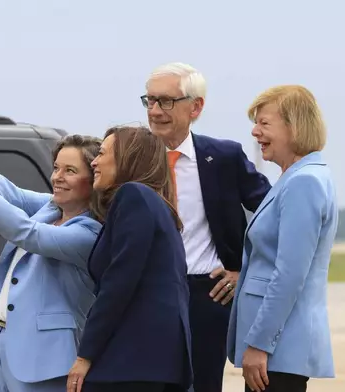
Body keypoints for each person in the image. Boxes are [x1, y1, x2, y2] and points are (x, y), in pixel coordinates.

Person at [141, 62, 272, 392]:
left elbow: (275, 213)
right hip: (146, 293)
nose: (155, 111)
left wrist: (245, 272)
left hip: (207, 295)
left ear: (195, 107)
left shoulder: (223, 157)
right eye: (150, 100)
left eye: (166, 101)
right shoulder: (131, 157)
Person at [0, 128, 103, 392]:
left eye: (70, 171)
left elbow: (27, 233)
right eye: (56, 168)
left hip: (46, 359)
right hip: (8, 346)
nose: (58, 177)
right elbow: (14, 195)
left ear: (93, 179)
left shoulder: (89, 232)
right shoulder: (53, 206)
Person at [227, 85, 337, 392]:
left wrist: (260, 343)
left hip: (278, 348)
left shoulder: (303, 183)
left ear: (294, 126)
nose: (255, 131)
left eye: (264, 123)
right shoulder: (295, 178)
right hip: (278, 347)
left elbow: (289, 274)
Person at [67, 125, 192, 392]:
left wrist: (84, 355)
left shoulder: (133, 195)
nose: (94, 161)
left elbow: (119, 283)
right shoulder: (155, 204)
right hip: (151, 363)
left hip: (131, 363)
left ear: (127, 158)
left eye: (101, 153)